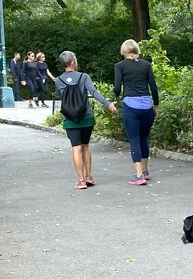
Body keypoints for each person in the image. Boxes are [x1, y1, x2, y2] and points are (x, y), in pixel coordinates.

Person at [47, 51, 118, 189]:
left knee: (76, 148)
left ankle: (80, 180)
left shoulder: (58, 80)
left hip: (69, 119)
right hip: (86, 117)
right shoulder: (84, 77)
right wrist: (108, 103)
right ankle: (89, 176)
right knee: (85, 146)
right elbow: (94, 92)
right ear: (73, 62)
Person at [114, 39, 159, 186]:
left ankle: (138, 175)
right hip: (147, 106)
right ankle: (145, 172)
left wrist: (116, 97)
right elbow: (153, 87)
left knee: (134, 139)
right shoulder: (146, 65)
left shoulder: (120, 66)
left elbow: (117, 87)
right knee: (143, 138)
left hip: (131, 106)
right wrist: (156, 106)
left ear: (124, 51)